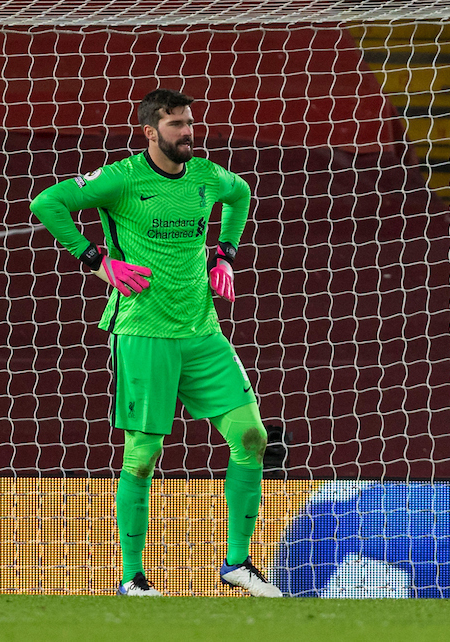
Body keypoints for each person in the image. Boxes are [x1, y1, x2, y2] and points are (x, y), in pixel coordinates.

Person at [29, 88, 281, 598]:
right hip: (143, 332)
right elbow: (48, 202)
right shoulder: (120, 179)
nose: (188, 132)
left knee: (251, 438)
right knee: (142, 458)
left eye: (189, 122)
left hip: (203, 332)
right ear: (149, 131)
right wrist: (96, 261)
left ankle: (237, 563)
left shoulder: (208, 177)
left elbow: (241, 195)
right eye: (176, 125)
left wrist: (225, 256)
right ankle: (132, 578)